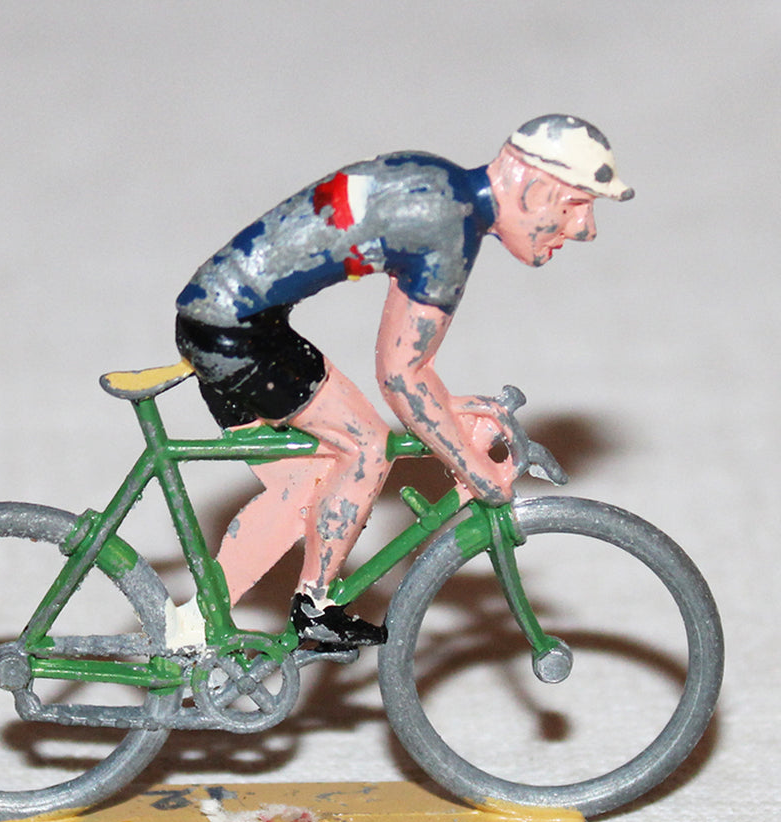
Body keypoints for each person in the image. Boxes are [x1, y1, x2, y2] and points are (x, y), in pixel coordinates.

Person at [175, 114, 633, 648]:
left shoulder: (440, 186)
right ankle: (313, 609)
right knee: (366, 447)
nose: (585, 228)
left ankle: (192, 627)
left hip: (219, 317)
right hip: (235, 330)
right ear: (532, 190)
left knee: (304, 489)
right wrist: (477, 471)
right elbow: (401, 375)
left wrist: (447, 409)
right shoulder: (448, 230)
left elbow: (410, 370)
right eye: (577, 204)